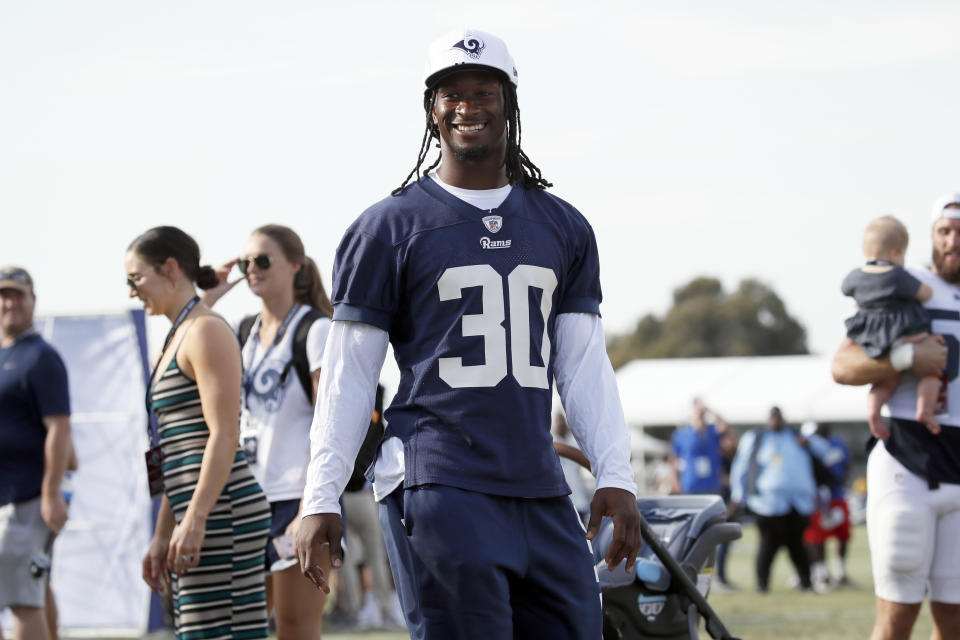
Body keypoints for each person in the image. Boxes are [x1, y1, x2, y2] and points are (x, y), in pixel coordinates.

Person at [295, 28, 641, 640]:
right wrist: (320, 494)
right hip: (438, 479)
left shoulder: (562, 225)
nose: (467, 106)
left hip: (537, 482)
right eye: (451, 93)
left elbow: (584, 365)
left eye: (484, 91)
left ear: (509, 102)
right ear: (432, 108)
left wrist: (616, 475)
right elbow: (350, 374)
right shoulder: (387, 227)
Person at [127, 226, 271, 640]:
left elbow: (224, 434)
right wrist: (162, 532)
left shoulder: (204, 331)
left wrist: (197, 517)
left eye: (135, 278)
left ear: (170, 269)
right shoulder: (180, 333)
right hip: (200, 511)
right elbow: (175, 451)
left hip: (221, 512)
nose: (132, 290)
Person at [831, 193, 960, 640]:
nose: (953, 241)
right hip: (908, 454)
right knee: (898, 616)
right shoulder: (907, 283)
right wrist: (905, 356)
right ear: (932, 237)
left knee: (956, 620)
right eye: (945, 231)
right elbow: (843, 364)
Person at [201, 224, 333, 639]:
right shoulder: (241, 331)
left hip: (297, 496)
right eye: (245, 262)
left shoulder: (316, 329)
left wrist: (311, 505)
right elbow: (182, 349)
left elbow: (328, 423)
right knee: (240, 626)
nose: (251, 269)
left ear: (295, 264)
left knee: (294, 627)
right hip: (247, 498)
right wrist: (208, 298)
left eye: (262, 260)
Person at [0, 267, 71, 640]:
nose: (9, 303)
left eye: (17, 295)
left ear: (32, 301)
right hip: (5, 501)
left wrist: (51, 492)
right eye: (3, 296)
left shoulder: (41, 358)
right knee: (32, 588)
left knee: (22, 597)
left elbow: (60, 428)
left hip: (27, 498)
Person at [842, 215, 938, 437]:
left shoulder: (856, 276)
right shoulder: (898, 276)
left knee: (887, 378)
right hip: (903, 332)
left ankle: (874, 409)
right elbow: (925, 293)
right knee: (931, 371)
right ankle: (926, 410)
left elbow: (846, 288)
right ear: (896, 252)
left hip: (872, 337)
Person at [729, 406, 817, 593]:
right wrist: (738, 495)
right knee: (768, 546)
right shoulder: (757, 437)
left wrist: (808, 444)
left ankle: (806, 583)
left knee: (797, 545)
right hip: (767, 502)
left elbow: (820, 455)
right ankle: (762, 585)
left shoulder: (795, 436)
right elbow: (741, 467)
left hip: (797, 502)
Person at [799, 422, 853, 590]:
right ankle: (820, 574)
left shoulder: (836, 443)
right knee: (817, 536)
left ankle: (840, 573)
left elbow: (847, 463)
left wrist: (841, 481)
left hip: (836, 495)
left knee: (843, 535)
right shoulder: (807, 448)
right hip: (817, 498)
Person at [669, 398, 728, 496]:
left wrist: (709, 410)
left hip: (712, 486)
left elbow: (724, 426)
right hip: (690, 486)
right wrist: (675, 484)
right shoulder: (681, 434)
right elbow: (672, 461)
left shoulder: (712, 431)